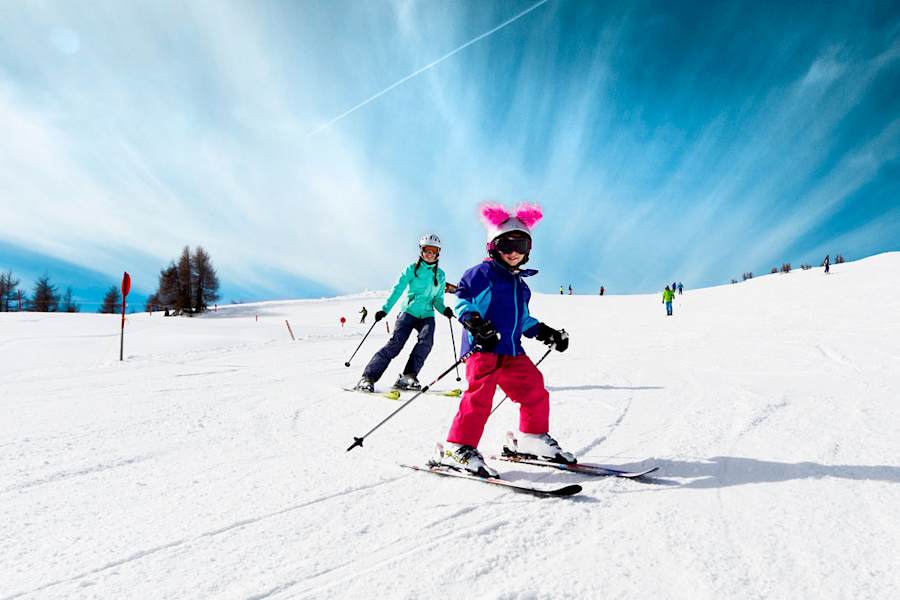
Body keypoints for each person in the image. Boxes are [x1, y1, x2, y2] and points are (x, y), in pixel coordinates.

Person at [441, 203, 573, 478]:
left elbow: (523, 320)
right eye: (506, 245)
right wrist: (476, 324)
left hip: (512, 352)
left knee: (534, 389)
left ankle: (532, 437)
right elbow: (464, 301)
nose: (514, 252)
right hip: (484, 349)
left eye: (521, 245)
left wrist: (547, 332)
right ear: (492, 247)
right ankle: (458, 446)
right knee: (479, 398)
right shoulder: (482, 274)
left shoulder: (520, 286)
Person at [355, 234, 454, 392]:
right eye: (426, 250)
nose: (429, 254)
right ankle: (368, 377)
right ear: (421, 251)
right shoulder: (412, 269)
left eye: (433, 251)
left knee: (426, 343)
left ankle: (408, 376)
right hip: (409, 312)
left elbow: (437, 299)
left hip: (427, 315)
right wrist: (384, 310)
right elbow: (398, 289)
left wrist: (444, 310)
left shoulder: (440, 275)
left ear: (438, 253)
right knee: (396, 345)